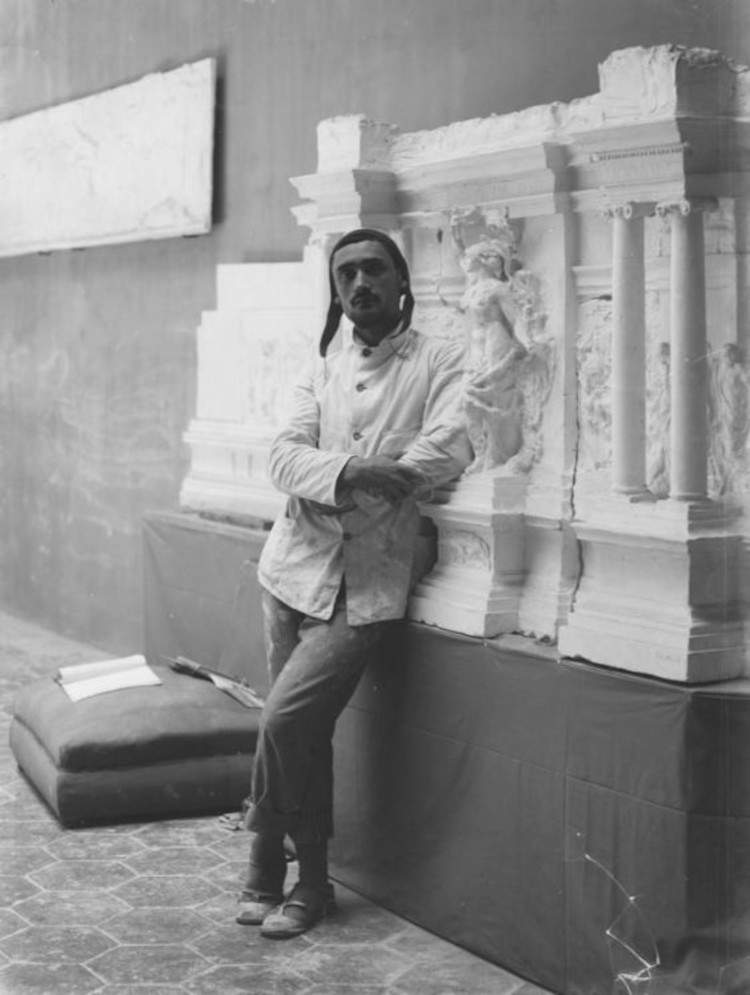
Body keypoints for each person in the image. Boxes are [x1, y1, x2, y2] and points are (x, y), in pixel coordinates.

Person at [236, 228, 472, 939]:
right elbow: (282, 457)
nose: (360, 283)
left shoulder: (441, 359)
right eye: (346, 276)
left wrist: (337, 475)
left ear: (403, 282)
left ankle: (258, 850)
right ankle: (305, 885)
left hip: (367, 588)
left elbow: (444, 450)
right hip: (290, 573)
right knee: (303, 733)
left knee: (283, 720)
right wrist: (359, 471)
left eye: (374, 269)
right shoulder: (320, 370)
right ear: (336, 293)